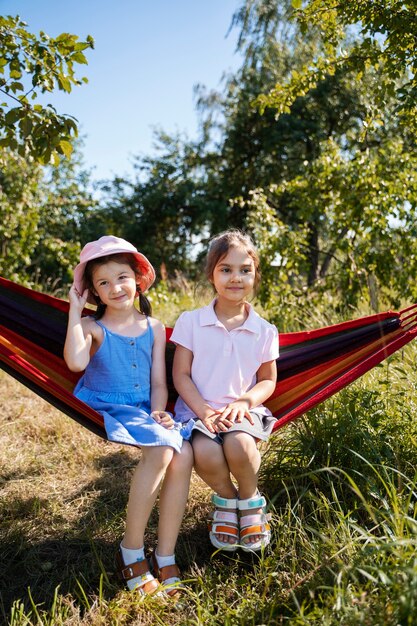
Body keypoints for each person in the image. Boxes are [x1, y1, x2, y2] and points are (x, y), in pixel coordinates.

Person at [64, 235, 193, 597]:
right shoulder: (91, 327)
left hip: (144, 409)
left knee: (184, 455)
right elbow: (75, 362)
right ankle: (130, 551)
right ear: (93, 292)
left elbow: (157, 381)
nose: (115, 287)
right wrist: (76, 311)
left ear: (137, 279)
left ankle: (164, 553)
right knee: (163, 450)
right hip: (110, 406)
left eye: (121, 277)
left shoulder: (153, 327)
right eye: (103, 283)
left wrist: (158, 411)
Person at [171, 229, 279, 553]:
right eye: (226, 269)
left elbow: (268, 381)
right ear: (211, 274)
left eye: (245, 270)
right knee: (204, 453)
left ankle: (249, 500)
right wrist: (204, 411)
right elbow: (181, 374)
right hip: (199, 412)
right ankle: (226, 501)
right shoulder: (191, 322)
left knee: (241, 446)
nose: (236, 277)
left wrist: (246, 401)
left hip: (242, 412)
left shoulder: (264, 330)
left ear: (255, 275)